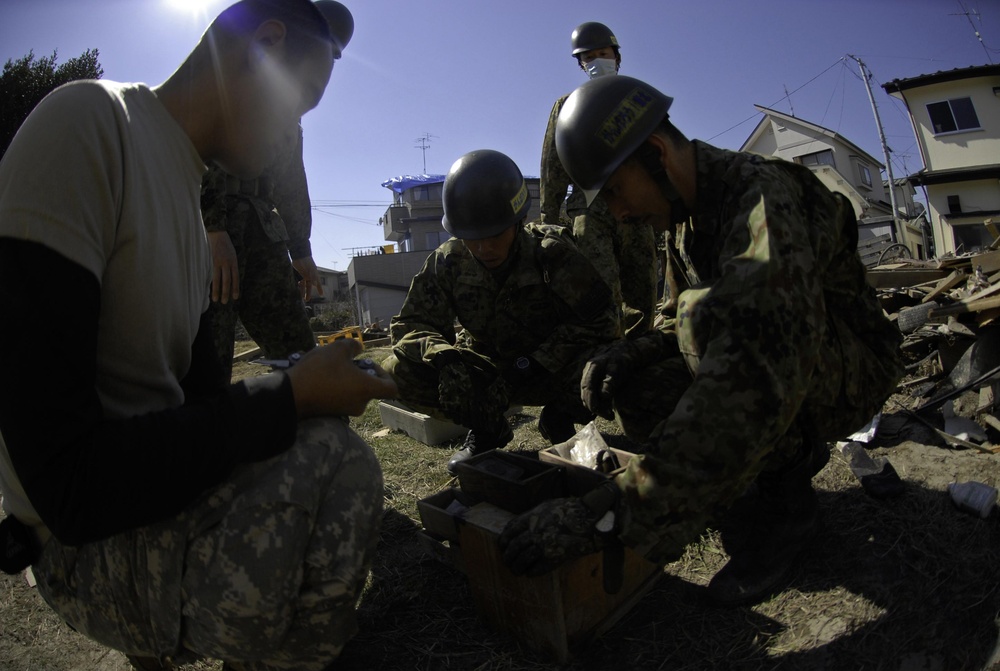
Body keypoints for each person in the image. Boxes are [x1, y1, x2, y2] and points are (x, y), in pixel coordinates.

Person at [0, 2, 398, 671]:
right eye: (297, 105)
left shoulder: (185, 201)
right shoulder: (89, 126)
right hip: (78, 540)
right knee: (339, 462)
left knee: (327, 441)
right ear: (263, 47)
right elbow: (67, 486)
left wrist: (301, 397)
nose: (290, 136)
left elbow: (197, 415)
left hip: (141, 496)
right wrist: (287, 397)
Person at [499, 75, 904, 607]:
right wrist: (627, 352)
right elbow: (677, 323)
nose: (618, 213)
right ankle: (735, 493)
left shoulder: (764, 203)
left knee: (715, 330)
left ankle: (787, 511)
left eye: (617, 191)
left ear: (657, 153)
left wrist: (601, 515)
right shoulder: (686, 220)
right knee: (641, 377)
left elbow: (753, 374)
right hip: (777, 364)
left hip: (845, 372)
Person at [382, 149, 618, 475]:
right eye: (471, 238)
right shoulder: (448, 261)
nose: (484, 248)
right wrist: (444, 357)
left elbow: (603, 322)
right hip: (489, 375)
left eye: (494, 234)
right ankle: (487, 428)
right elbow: (410, 324)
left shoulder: (552, 254)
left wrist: (536, 362)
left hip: (555, 371)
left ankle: (560, 416)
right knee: (398, 370)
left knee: (611, 366)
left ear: (517, 221)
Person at [539, 21, 657, 339]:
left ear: (616, 57)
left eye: (602, 54)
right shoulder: (568, 106)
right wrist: (549, 224)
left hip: (636, 207)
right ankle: (605, 356)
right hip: (589, 211)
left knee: (643, 287)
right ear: (581, 64)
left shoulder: (635, 99)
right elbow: (553, 167)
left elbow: (659, 153)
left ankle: (643, 355)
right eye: (588, 57)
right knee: (601, 292)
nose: (596, 61)